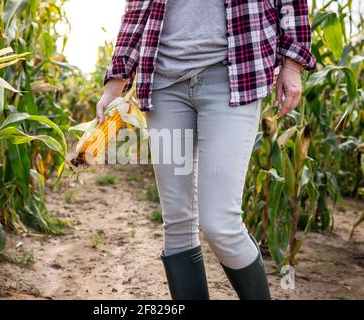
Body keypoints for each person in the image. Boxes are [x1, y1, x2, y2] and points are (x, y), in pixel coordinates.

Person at [97, 0, 316, 300]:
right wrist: (114, 83)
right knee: (177, 220)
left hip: (234, 76)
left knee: (220, 224)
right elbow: (138, 8)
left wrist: (292, 64)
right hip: (164, 83)